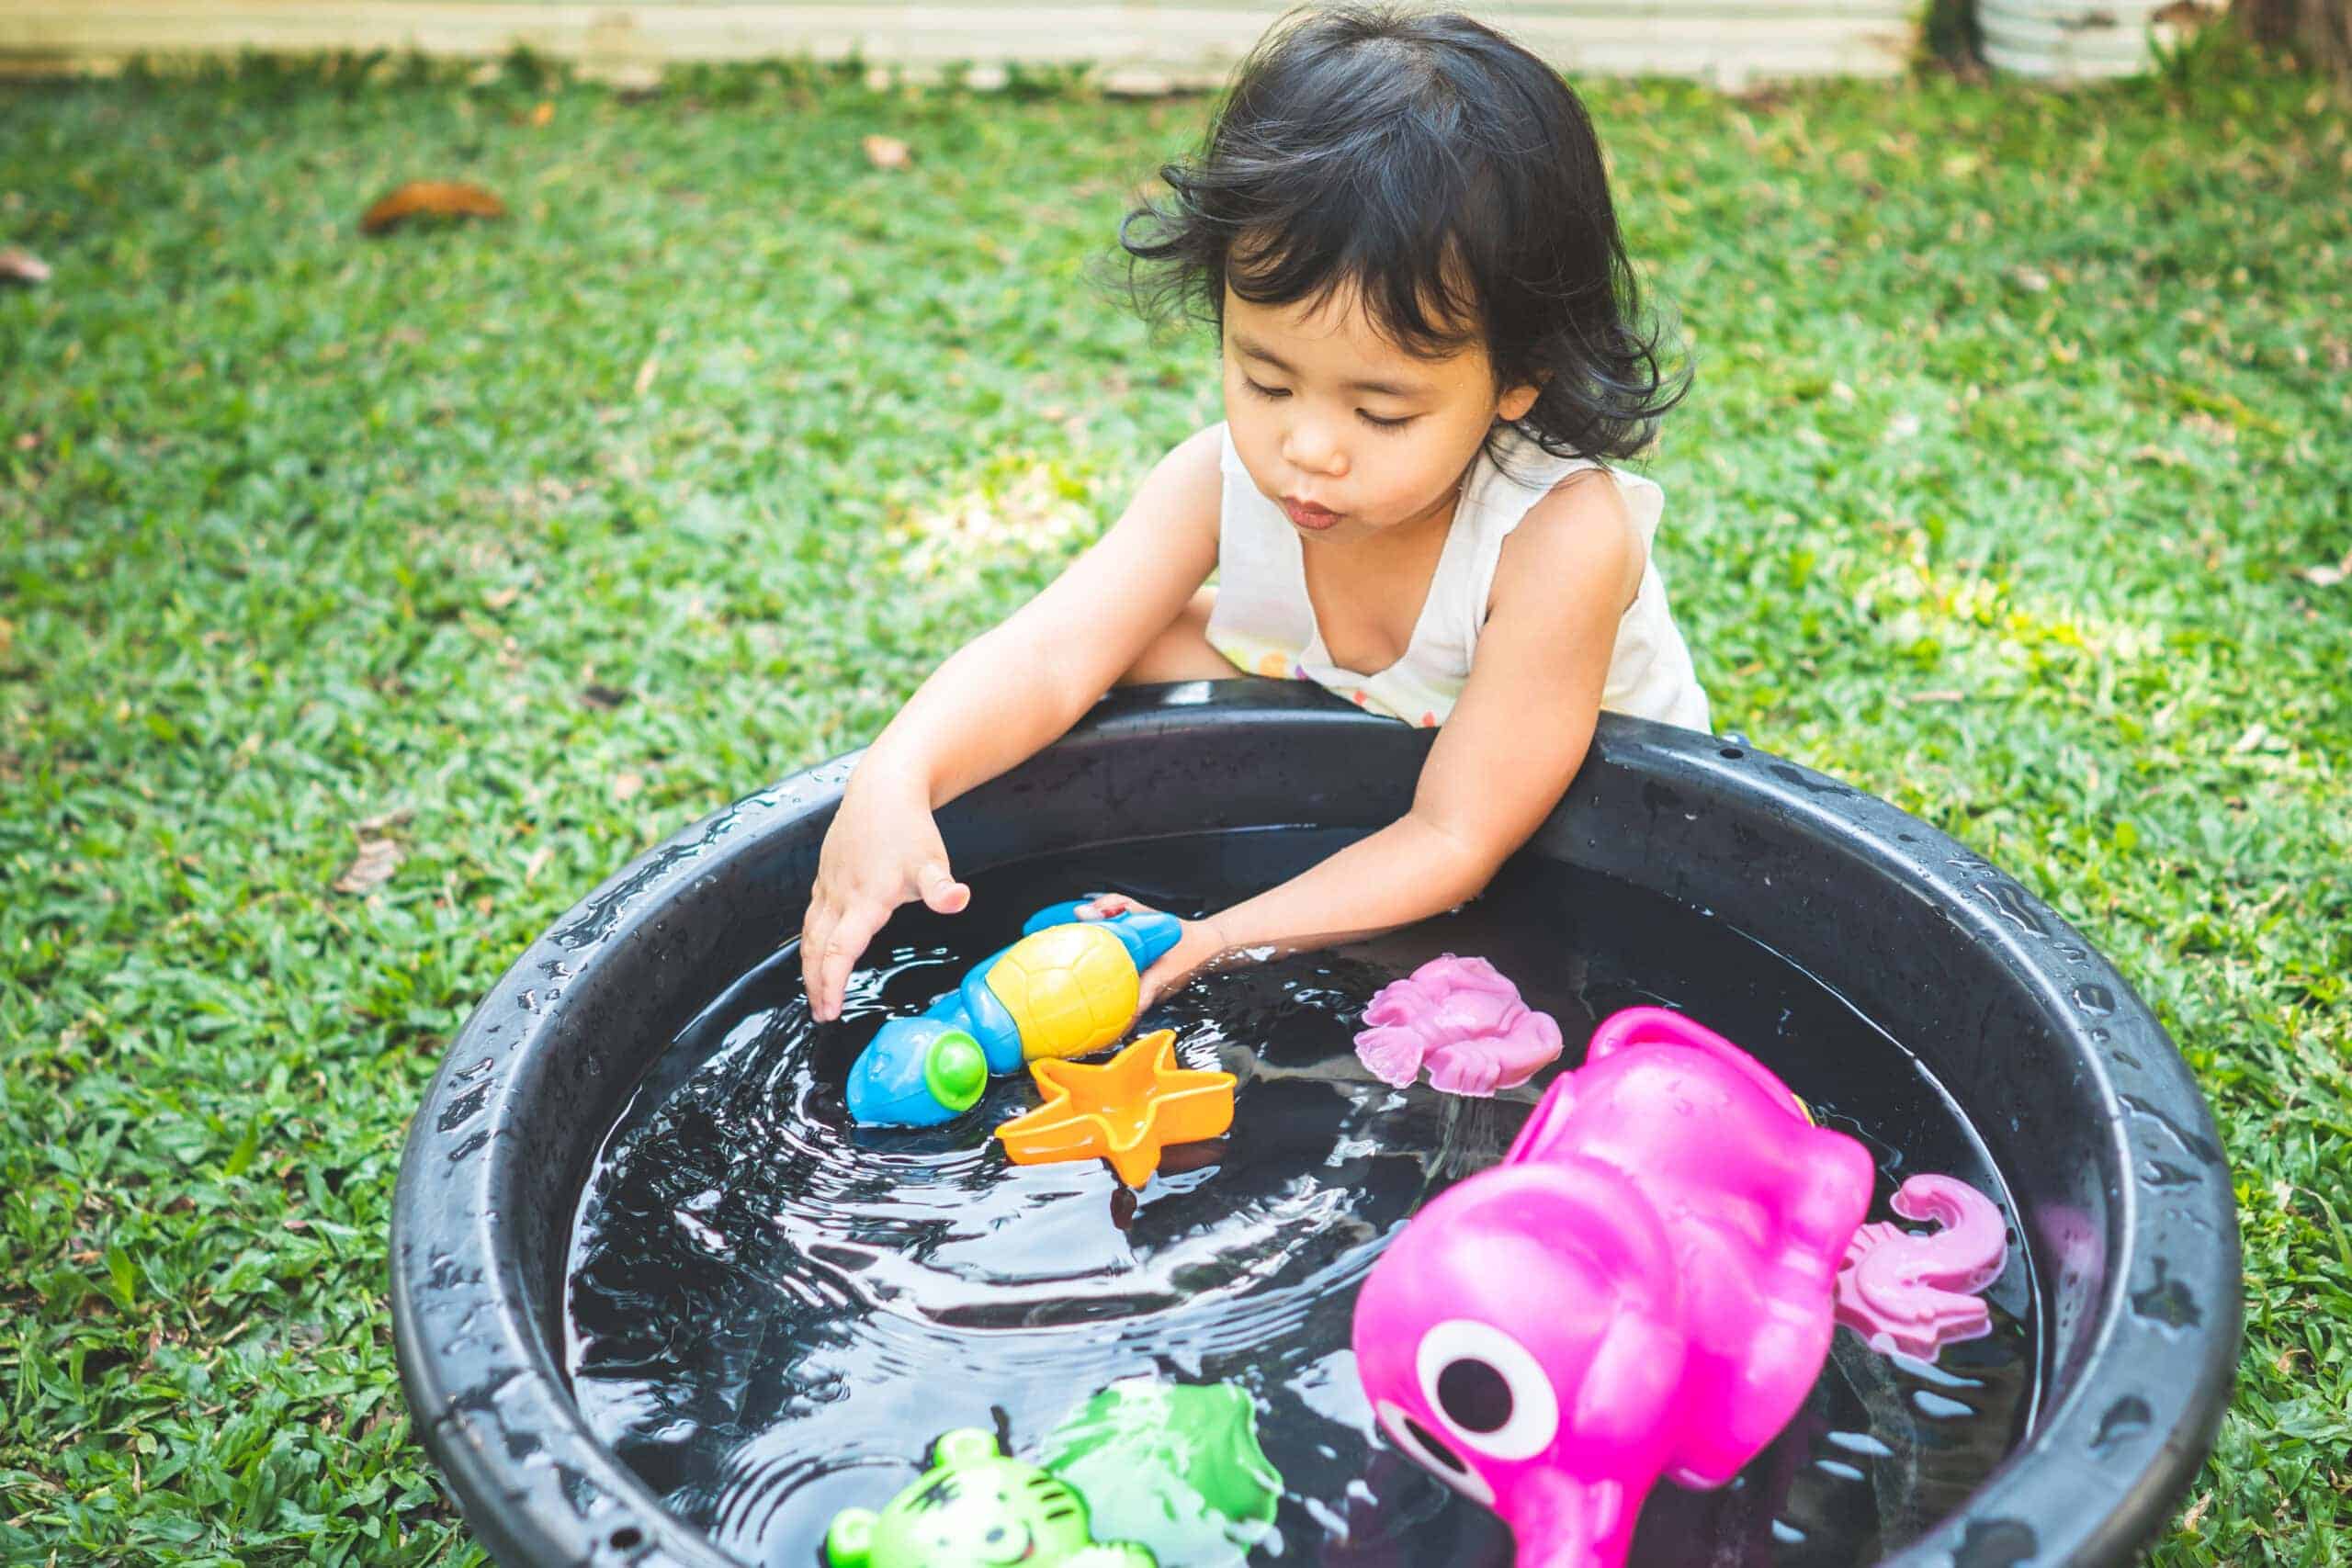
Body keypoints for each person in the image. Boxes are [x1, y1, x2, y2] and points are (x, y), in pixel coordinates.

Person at [800, 5, 1709, 1024]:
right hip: (1365, 726)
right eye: (1266, 382)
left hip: (1579, 834)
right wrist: (897, 771)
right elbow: (1053, 650)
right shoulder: (1219, 479)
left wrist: (1219, 936)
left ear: (1519, 380)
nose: (1305, 449)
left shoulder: (1558, 537)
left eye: (1380, 410)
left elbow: (1456, 839)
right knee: (1123, 644)